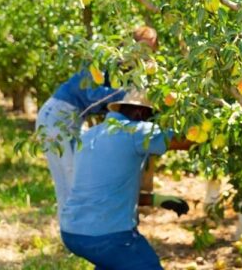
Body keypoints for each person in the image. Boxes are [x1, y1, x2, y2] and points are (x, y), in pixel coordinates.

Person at [36, 25, 175, 221]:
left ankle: (81, 227)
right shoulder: (104, 60)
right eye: (142, 49)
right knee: (70, 179)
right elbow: (94, 95)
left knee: (82, 176)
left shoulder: (130, 71)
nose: (145, 56)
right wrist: (130, 95)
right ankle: (72, 231)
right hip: (59, 117)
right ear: (129, 46)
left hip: (75, 118)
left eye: (150, 52)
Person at [59, 90, 194, 270]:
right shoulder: (136, 132)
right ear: (140, 113)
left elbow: (106, 190)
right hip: (107, 235)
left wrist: (159, 200)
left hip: (71, 231)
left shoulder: (90, 135)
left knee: (112, 262)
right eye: (152, 117)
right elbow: (189, 140)